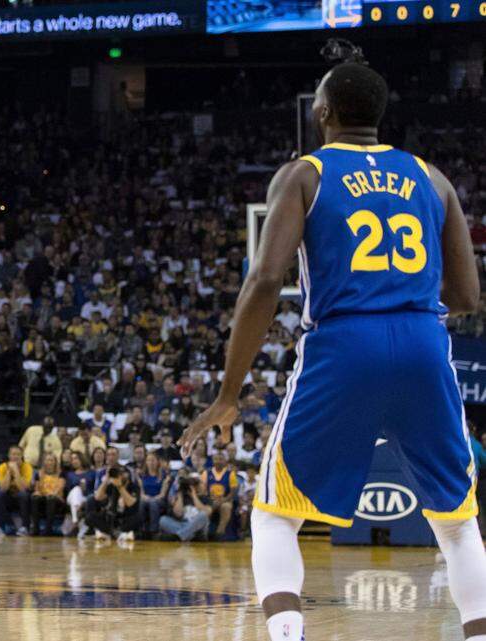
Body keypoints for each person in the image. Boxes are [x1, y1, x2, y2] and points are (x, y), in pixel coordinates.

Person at [179, 61, 486, 641]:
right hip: (423, 340)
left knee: (274, 515)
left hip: (344, 344)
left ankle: (289, 636)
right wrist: (405, 293)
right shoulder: (432, 177)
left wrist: (227, 395)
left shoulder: (305, 174)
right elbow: (467, 294)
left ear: (322, 113)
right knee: (457, 522)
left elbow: (266, 281)